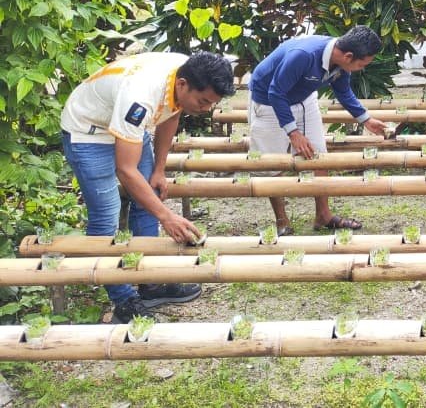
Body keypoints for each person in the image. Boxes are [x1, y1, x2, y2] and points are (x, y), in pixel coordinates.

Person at [61, 51, 235, 323]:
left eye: (212, 103)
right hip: (89, 132)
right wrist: (167, 216)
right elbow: (126, 170)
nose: (206, 109)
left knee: (148, 197)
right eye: (203, 101)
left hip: (128, 127)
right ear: (183, 84)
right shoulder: (141, 95)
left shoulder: (183, 72)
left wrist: (159, 170)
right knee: (107, 216)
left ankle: (149, 283)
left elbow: (171, 113)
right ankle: (123, 299)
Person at [248, 27, 386, 234]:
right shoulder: (303, 55)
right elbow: (276, 92)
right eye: (362, 64)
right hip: (268, 100)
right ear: (349, 57)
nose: (362, 68)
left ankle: (323, 215)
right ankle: (282, 221)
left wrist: (365, 119)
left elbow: (343, 91)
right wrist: (293, 132)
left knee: (319, 155)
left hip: (303, 99)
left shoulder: (340, 62)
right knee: (272, 161)